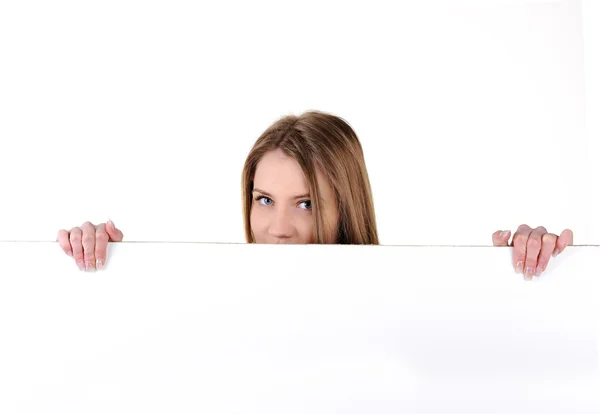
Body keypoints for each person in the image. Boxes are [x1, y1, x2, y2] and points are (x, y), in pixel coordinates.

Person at [56, 111, 573, 281]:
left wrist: (526, 278)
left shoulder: (407, 308)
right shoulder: (212, 303)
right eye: (264, 199)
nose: (278, 228)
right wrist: (101, 267)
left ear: (347, 205)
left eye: (306, 204)